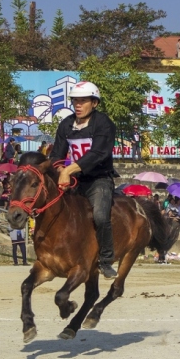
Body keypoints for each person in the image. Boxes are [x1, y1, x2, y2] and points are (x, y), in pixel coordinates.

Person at [48, 81, 118, 279]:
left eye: (83, 101)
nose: (77, 105)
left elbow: (98, 154)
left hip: (99, 179)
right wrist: (61, 169)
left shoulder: (103, 123)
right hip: (76, 179)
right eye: (75, 101)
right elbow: (56, 155)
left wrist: (67, 170)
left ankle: (105, 260)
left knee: (100, 217)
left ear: (94, 103)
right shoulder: (66, 124)